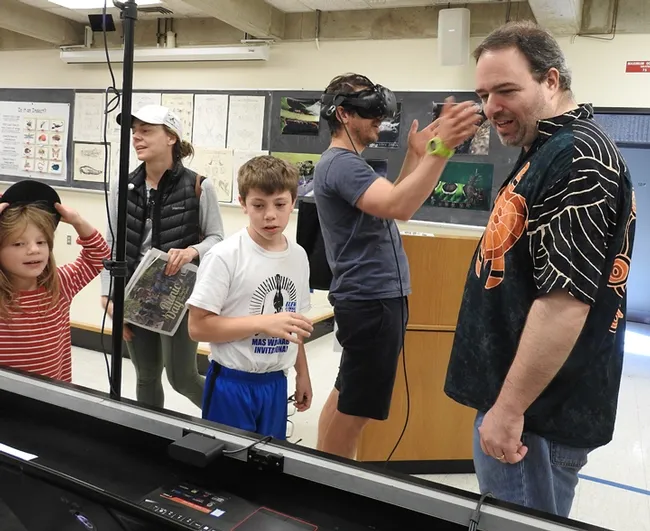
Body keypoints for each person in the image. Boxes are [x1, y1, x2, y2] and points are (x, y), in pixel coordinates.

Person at [444, 21, 636, 517]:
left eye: (506, 90)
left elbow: (564, 303)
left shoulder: (578, 157)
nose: (491, 108)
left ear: (551, 80)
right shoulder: (547, 148)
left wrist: (508, 411)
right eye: (484, 94)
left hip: (535, 418)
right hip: (524, 406)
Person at [313, 73, 482, 459]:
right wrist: (443, 149)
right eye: (368, 110)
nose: (379, 119)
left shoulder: (345, 164)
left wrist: (417, 156)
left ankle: (321, 471)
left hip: (371, 300)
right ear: (342, 114)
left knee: (346, 395)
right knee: (354, 412)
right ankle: (330, 488)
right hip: (372, 301)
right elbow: (400, 206)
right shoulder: (342, 164)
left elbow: (391, 203)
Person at [100, 104, 225, 409]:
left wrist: (193, 251)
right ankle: (148, 436)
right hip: (135, 293)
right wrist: (108, 294)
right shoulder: (123, 187)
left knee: (181, 377)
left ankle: (230, 423)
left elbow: (217, 239)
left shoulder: (199, 186)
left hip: (179, 298)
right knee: (145, 376)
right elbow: (112, 243)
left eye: (146, 131)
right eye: (134, 132)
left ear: (171, 137)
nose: (137, 138)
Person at [186, 155, 313, 440]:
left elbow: (293, 324)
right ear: (243, 204)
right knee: (228, 464)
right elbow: (197, 327)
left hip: (276, 383)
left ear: (293, 202)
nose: (270, 215)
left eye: (280, 205)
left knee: (268, 462)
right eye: (258, 205)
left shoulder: (299, 257)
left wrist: (301, 373)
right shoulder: (225, 256)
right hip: (232, 382)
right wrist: (263, 323)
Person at [0, 180, 110, 383]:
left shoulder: (61, 284)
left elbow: (100, 256)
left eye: (41, 242)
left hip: (53, 397)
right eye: (18, 243)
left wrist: (77, 221)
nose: (34, 249)